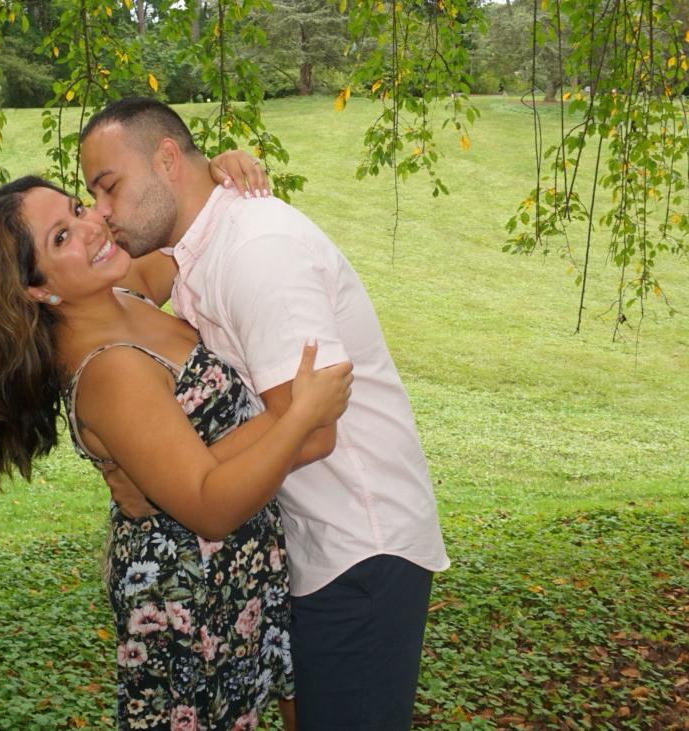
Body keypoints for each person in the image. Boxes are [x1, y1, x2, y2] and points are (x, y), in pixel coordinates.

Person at [78, 97, 450, 730]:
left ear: (166, 159)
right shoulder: (197, 249)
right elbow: (90, 308)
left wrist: (169, 483)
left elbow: (315, 427)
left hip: (358, 546)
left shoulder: (256, 250)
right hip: (303, 544)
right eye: (91, 194)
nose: (101, 211)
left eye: (108, 186)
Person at [0, 159, 355, 729]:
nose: (92, 226)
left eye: (76, 207)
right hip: (189, 595)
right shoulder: (111, 371)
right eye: (61, 237)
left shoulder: (124, 290)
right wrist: (298, 416)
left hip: (237, 571)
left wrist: (210, 169)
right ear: (36, 289)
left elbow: (190, 227)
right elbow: (209, 505)